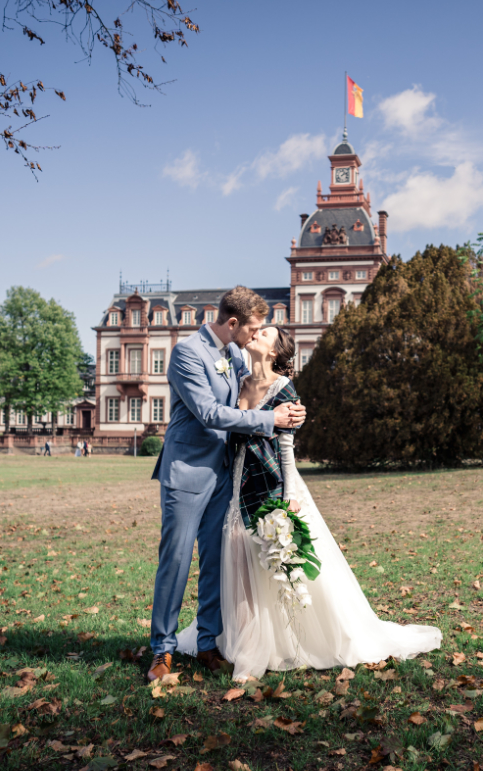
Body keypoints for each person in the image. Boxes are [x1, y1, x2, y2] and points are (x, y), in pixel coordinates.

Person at [175, 326, 442, 682]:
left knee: (277, 563)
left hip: (272, 483)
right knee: (240, 564)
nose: (255, 332)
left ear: (274, 351)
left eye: (264, 332)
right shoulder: (237, 381)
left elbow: (287, 448)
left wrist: (289, 497)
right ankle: (240, 638)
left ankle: (289, 640)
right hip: (235, 486)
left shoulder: (284, 389)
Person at [146, 287, 306, 683]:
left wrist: (290, 406)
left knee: (215, 563)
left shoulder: (234, 353)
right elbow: (209, 413)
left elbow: (257, 386)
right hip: (186, 472)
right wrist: (272, 421)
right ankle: (162, 651)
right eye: (251, 328)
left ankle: (207, 643)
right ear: (232, 323)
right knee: (177, 561)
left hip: (224, 476)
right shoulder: (186, 353)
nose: (254, 336)